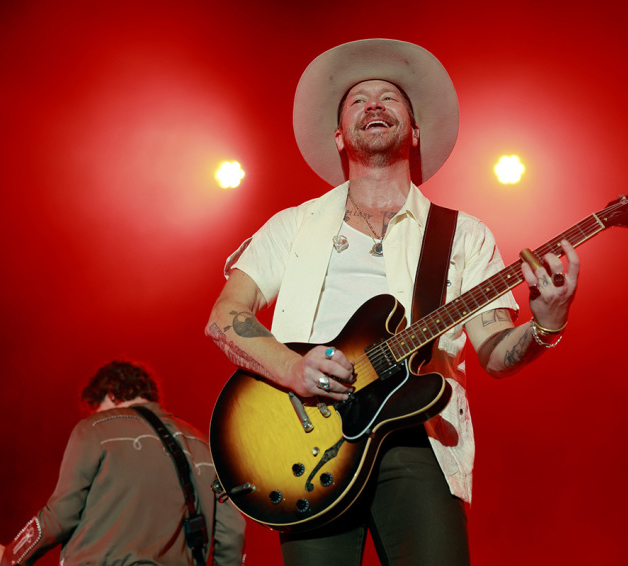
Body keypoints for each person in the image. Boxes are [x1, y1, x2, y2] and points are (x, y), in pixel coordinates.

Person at [205, 39, 579, 566]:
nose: (374, 104)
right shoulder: (293, 226)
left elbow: (495, 354)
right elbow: (225, 317)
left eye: (390, 97)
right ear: (339, 136)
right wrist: (293, 369)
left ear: (415, 129)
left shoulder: (462, 235)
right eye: (358, 100)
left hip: (420, 438)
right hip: (309, 439)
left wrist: (547, 322)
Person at [0, 360, 246, 566]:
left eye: (97, 409)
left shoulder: (96, 427)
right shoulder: (204, 446)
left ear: (111, 395)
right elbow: (232, 534)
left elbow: (60, 515)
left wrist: (8, 556)